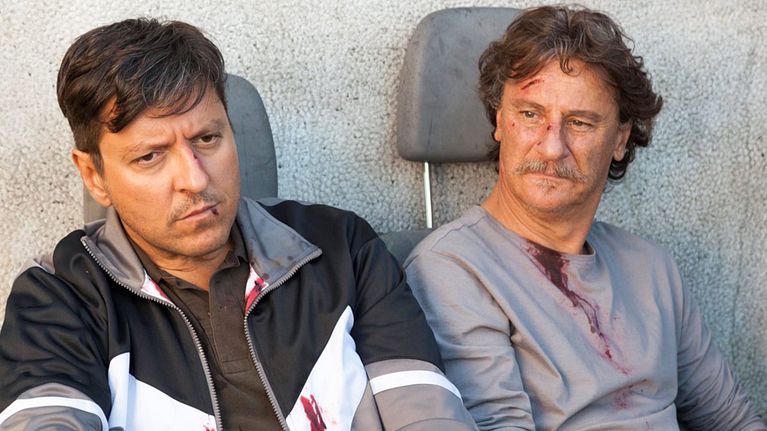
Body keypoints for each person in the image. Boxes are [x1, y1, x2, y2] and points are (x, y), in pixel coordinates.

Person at [0, 18, 476, 431]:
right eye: (150, 157)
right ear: (94, 176)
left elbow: (426, 413)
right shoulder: (59, 297)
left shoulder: (341, 249)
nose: (194, 179)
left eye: (207, 138)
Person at [404, 5, 766, 431]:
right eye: (530, 114)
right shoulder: (452, 268)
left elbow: (731, 419)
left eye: (579, 123)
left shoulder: (650, 266)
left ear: (620, 140)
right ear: (500, 121)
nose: (551, 147)